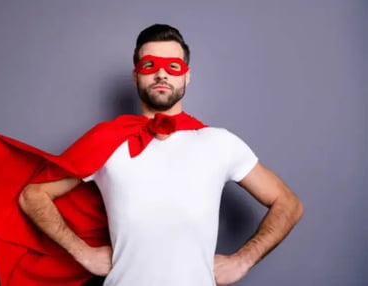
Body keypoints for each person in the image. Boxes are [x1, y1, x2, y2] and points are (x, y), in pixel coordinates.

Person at [18, 23, 303, 286]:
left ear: (187, 76)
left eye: (173, 66)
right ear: (136, 75)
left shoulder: (220, 143)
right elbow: (33, 196)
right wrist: (82, 252)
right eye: (150, 64)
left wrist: (244, 259)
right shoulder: (106, 140)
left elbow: (288, 203)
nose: (162, 73)